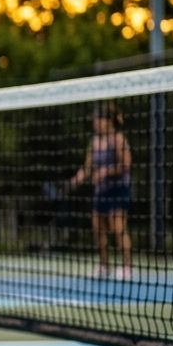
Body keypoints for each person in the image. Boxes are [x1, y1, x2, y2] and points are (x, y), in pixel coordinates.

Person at [69, 104, 132, 279]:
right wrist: (77, 178)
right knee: (97, 228)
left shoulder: (118, 140)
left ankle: (128, 268)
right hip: (101, 191)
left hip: (118, 189)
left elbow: (126, 165)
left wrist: (106, 171)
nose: (96, 124)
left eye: (99, 120)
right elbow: (87, 168)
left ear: (108, 121)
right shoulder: (95, 142)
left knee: (118, 228)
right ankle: (104, 266)